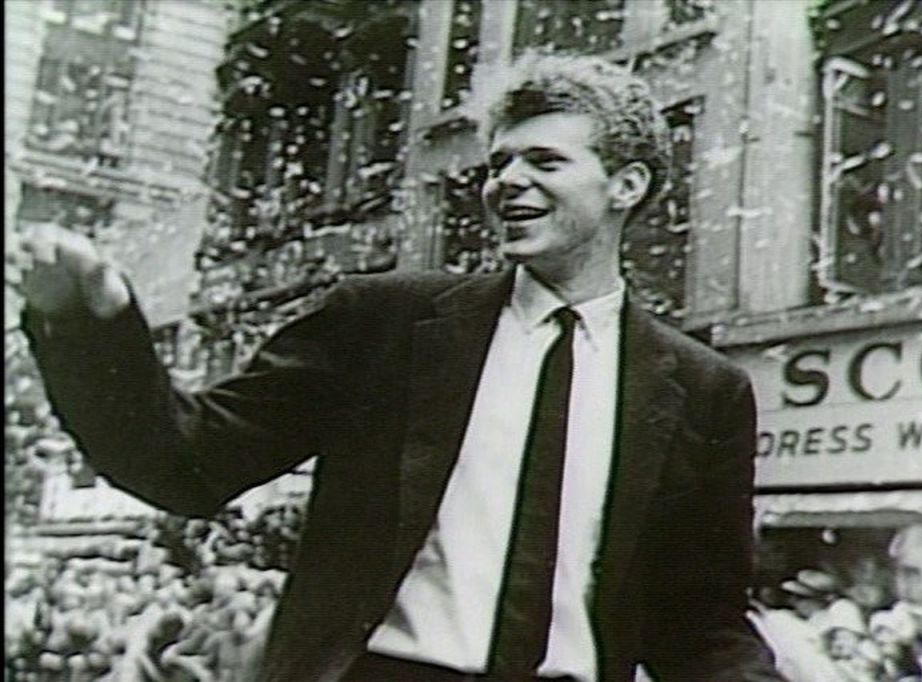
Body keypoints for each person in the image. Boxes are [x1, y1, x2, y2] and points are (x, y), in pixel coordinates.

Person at [10, 52, 783, 681]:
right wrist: (88, 322)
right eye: (499, 163)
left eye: (545, 160)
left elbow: (701, 623)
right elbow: (186, 464)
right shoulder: (383, 323)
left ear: (627, 185)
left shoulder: (704, 390)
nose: (507, 182)